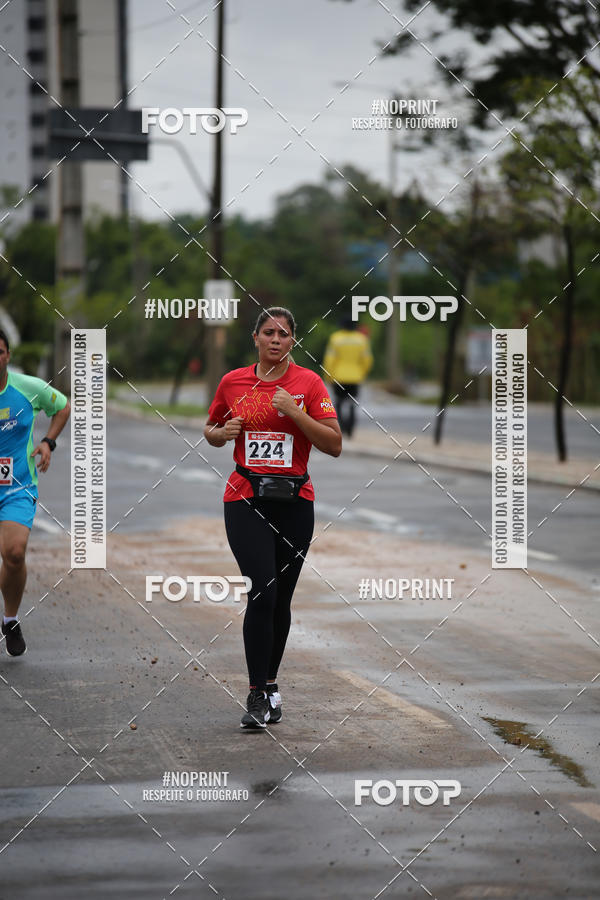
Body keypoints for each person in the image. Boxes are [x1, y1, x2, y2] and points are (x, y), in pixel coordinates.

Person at [204, 307, 342, 728]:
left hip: (295, 501)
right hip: (245, 497)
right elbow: (210, 429)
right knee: (261, 591)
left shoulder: (308, 384)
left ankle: (270, 683)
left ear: (293, 341)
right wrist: (221, 434)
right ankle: (255, 694)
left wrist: (295, 413)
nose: (276, 339)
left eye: (284, 333)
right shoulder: (233, 382)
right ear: (256, 338)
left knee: (281, 597)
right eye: (269, 332)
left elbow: (334, 444)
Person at [0, 330, 70, 656]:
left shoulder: (26, 388)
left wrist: (48, 442)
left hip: (17, 487)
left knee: (14, 553)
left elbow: (62, 406)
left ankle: (10, 619)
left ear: (7, 355)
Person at [323, 316, 373, 437]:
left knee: (339, 403)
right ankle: (350, 429)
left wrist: (328, 376)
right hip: (355, 377)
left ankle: (342, 427)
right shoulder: (362, 339)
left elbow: (330, 360)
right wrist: (362, 373)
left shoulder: (336, 338)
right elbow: (367, 360)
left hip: (338, 376)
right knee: (352, 403)